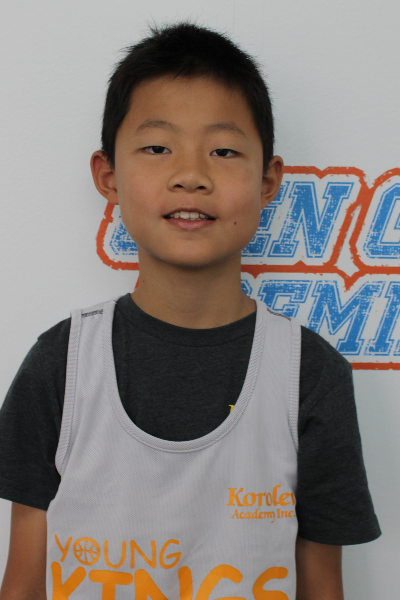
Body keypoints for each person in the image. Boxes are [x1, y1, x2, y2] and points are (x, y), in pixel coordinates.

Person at [0, 22, 380, 600]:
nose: (191, 176)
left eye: (223, 151)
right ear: (108, 176)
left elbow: (323, 586)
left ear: (268, 180)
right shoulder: (63, 364)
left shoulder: (309, 375)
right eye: (157, 148)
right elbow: (23, 582)